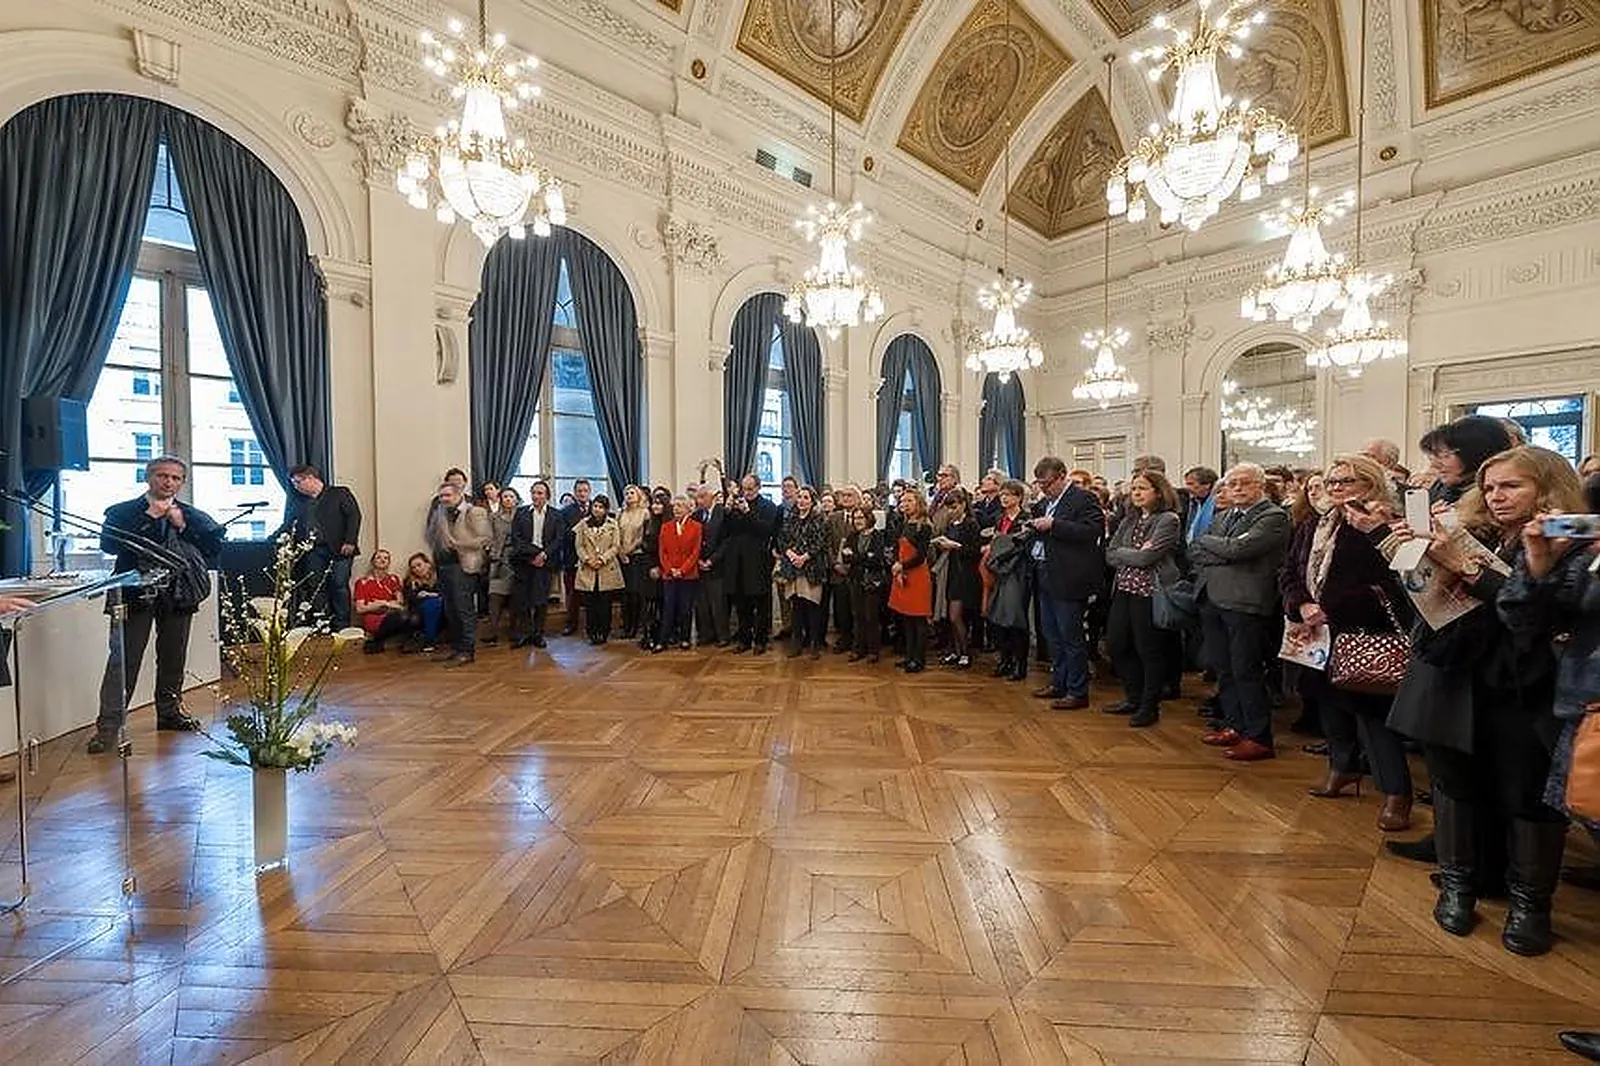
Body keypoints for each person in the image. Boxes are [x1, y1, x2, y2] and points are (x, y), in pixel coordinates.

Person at [1384, 447, 1582, 956]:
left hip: (1527, 686)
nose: (1496, 497)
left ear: (1547, 487)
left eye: (1511, 486)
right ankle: (1458, 887)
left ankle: (1531, 906)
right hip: (1454, 677)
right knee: (1454, 784)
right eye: (1490, 487)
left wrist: (1465, 567)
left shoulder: (1571, 542)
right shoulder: (1472, 532)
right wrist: (1415, 560)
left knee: (1530, 794)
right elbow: (1423, 605)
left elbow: (1538, 617)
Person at [1283, 456, 1415, 829]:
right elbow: (1290, 570)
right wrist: (1302, 605)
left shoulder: (1384, 524)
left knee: (1373, 715)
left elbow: (1393, 584)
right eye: (1333, 481)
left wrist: (1330, 608)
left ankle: (1396, 793)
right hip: (1318, 629)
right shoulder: (1315, 524)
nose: (1337, 488)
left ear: (1370, 484)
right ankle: (1342, 767)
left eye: (1347, 481)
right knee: (1328, 704)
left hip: (1363, 630)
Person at [91, 456, 225, 754]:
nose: (168, 482)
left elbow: (212, 548)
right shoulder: (122, 512)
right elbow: (108, 546)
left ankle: (169, 713)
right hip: (134, 594)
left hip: (179, 594)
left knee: (173, 656)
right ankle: (108, 728)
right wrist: (151, 517)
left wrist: (183, 526)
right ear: (148, 477)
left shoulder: (192, 514)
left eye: (175, 478)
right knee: (124, 660)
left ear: (182, 482)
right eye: (162, 475)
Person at [1189, 463, 1292, 761]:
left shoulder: (1272, 516)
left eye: (1244, 483)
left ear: (1260, 485)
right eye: (1231, 484)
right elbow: (1194, 550)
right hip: (1213, 599)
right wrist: (1225, 549)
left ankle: (1258, 737)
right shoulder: (1224, 515)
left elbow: (1239, 550)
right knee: (1224, 669)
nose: (1236, 489)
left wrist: (1218, 546)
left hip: (1246, 603)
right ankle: (1235, 724)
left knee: (1246, 670)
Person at [1103, 470, 1182, 728]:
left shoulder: (1168, 520)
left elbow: (1148, 558)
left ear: (1158, 492)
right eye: (1134, 488)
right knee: (1117, 644)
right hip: (1124, 588)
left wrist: (1128, 554)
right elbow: (1110, 553)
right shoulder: (1130, 519)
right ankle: (1133, 697)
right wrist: (1134, 553)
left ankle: (1149, 706)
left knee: (1148, 650)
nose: (1136, 493)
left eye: (1143, 488)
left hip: (1150, 592)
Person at [1027, 456, 1106, 711]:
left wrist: (1055, 524)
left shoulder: (1083, 498)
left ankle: (1077, 690)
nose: (1043, 488)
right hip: (1045, 572)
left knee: (1071, 637)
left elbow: (1092, 531)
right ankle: (1058, 683)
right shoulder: (1045, 502)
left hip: (1069, 576)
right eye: (1040, 484)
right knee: (1052, 635)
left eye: (1047, 483)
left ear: (1062, 476)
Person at [277, 464, 362, 629]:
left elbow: (354, 516)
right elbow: (287, 524)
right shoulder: (299, 502)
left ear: (310, 478)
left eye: (298, 482)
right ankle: (322, 623)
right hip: (312, 551)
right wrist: (273, 538)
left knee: (339, 585)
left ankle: (342, 624)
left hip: (340, 549)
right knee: (315, 587)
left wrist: (350, 540)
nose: (296, 486)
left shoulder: (339, 493)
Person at [424, 481, 491, 666]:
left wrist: (458, 544)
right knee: (451, 610)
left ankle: (467, 651)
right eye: (441, 496)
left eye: (448, 495)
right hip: (443, 566)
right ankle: (456, 649)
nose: (444, 499)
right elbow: (432, 536)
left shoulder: (474, 512)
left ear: (459, 494)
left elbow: (485, 538)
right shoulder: (440, 513)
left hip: (463, 566)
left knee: (463, 610)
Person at [507, 480, 568, 649]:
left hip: (545, 563)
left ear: (547, 495)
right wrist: (534, 554)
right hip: (524, 561)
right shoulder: (521, 513)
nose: (536, 496)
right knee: (523, 600)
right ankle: (525, 633)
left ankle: (538, 634)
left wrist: (544, 554)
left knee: (541, 601)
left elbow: (559, 539)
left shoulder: (556, 515)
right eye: (533, 492)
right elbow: (517, 539)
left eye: (540, 493)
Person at [724, 475, 782, 654]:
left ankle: (761, 640)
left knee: (761, 604)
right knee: (742, 605)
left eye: (750, 489)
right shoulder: (736, 506)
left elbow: (766, 530)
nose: (747, 492)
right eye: (744, 489)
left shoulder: (769, 506)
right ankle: (744, 640)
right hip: (738, 562)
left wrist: (748, 513)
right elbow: (728, 531)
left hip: (758, 561)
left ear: (758, 487)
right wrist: (728, 511)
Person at [983, 478, 1033, 682]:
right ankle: (1005, 660)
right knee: (999, 618)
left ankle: (1020, 665)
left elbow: (1020, 544)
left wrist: (999, 546)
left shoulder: (1026, 519)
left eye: (1008, 495)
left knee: (1016, 619)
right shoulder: (999, 518)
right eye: (1002, 495)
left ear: (1018, 497)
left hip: (1017, 571)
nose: (1003, 498)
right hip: (999, 570)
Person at [777, 485, 830, 658]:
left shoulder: (819, 519)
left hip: (812, 568)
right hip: (793, 568)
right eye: (799, 497)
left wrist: (804, 557)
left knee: (812, 607)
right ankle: (797, 642)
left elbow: (820, 542)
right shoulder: (790, 518)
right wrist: (791, 555)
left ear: (812, 501)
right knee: (797, 607)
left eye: (806, 497)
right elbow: (782, 539)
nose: (801, 501)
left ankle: (814, 643)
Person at [933, 488, 982, 669]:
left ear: (963, 505)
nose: (951, 511)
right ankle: (955, 650)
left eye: (954, 507)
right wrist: (942, 544)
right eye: (949, 508)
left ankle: (965, 653)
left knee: (956, 617)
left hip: (965, 575)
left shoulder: (971, 524)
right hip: (952, 572)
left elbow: (974, 551)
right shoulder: (951, 525)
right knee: (950, 617)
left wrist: (955, 546)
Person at [889, 490, 934, 672]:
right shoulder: (903, 524)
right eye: (903, 501)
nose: (905, 504)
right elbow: (896, 548)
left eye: (909, 501)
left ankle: (919, 659)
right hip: (902, 573)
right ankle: (909, 656)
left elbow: (921, 556)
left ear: (918, 503)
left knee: (918, 619)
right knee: (906, 618)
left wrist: (902, 566)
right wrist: (897, 566)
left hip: (917, 575)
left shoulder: (925, 527)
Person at [574, 494, 624, 644]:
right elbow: (579, 546)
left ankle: (603, 631)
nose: (597, 509)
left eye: (601, 507)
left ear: (606, 509)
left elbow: (615, 546)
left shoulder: (613, 524)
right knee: (590, 604)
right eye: (595, 506)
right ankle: (592, 632)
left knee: (604, 604)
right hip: (588, 568)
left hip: (606, 568)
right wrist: (587, 559)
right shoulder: (583, 524)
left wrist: (602, 559)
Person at [841, 505, 887, 663]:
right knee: (858, 616)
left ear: (869, 518)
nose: (857, 521)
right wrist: (865, 556)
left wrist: (856, 556)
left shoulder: (878, 536)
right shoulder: (852, 536)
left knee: (871, 616)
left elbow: (877, 559)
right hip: (855, 580)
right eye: (855, 518)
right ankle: (858, 649)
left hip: (873, 581)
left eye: (861, 518)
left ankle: (873, 650)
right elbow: (845, 558)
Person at [657, 495, 702, 650]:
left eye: (680, 505)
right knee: (668, 608)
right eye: (675, 505)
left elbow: (695, 552)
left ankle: (685, 638)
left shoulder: (696, 527)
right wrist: (670, 570)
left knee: (686, 608)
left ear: (688, 509)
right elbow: (662, 552)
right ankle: (663, 640)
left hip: (688, 575)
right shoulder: (666, 527)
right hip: (669, 575)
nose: (676, 508)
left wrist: (682, 570)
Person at [691, 483, 730, 647]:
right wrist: (698, 560)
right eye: (697, 498)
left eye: (702, 497)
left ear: (712, 496)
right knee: (702, 603)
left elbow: (726, 541)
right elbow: (692, 540)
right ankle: (706, 635)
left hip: (718, 566)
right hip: (699, 565)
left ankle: (722, 636)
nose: (699, 501)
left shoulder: (723, 513)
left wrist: (712, 560)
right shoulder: (696, 515)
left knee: (718, 603)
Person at [481, 487, 520, 645]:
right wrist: (491, 552)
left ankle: (515, 631)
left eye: (511, 496)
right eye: (505, 496)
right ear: (500, 499)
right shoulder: (494, 517)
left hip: (517, 561)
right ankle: (492, 631)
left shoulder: (523, 516)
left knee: (516, 597)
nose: (508, 499)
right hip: (498, 561)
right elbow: (488, 537)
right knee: (494, 595)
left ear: (516, 499)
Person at [354, 549, 409, 653]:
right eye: (378, 557)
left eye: (386, 558)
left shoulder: (393, 579)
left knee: (411, 616)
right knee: (401, 617)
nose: (382, 560)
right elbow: (360, 608)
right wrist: (383, 603)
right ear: (372, 562)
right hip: (374, 618)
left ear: (389, 562)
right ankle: (377, 641)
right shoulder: (362, 582)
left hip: (392, 614)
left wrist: (379, 603)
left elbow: (400, 603)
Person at [558, 479, 593, 634]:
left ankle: (593, 625)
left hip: (593, 559)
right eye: (579, 491)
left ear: (590, 492)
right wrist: (580, 529)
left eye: (585, 491)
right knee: (572, 594)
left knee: (592, 594)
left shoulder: (597, 508)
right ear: (574, 492)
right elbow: (562, 535)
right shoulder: (565, 512)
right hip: (572, 558)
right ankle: (571, 624)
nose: (582, 494)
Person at [617, 485, 650, 640]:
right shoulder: (620, 513)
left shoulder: (645, 513)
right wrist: (621, 552)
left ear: (639, 496)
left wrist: (629, 550)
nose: (629, 495)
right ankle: (627, 626)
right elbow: (616, 534)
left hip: (637, 556)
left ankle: (636, 627)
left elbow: (643, 536)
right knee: (625, 594)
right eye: (627, 493)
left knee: (635, 592)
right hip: (622, 557)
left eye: (632, 493)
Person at [400, 552, 444, 653]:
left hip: (441, 608)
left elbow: (446, 594)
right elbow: (411, 599)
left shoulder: (440, 577)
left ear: (428, 564)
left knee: (433, 603)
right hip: (420, 609)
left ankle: (428, 640)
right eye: (413, 567)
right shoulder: (410, 581)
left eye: (419, 565)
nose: (416, 569)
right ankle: (429, 640)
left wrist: (430, 595)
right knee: (431, 604)